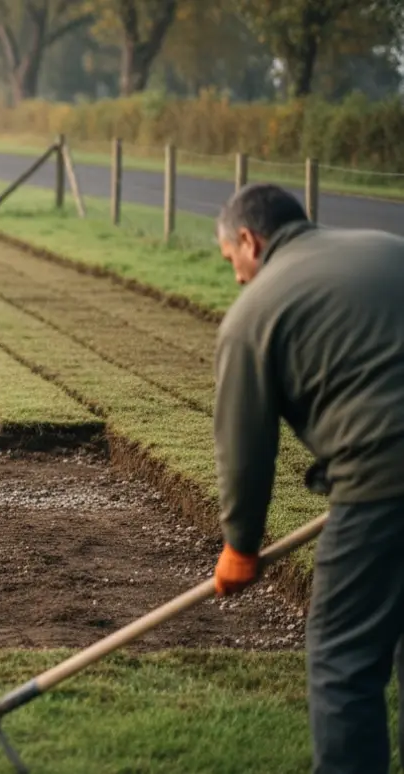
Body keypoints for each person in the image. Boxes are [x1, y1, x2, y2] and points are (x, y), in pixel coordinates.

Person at [210, 182, 404, 774]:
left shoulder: (252, 314)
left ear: (250, 241)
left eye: (231, 260)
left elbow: (245, 450)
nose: (236, 276)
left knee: (343, 657)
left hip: (381, 482)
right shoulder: (388, 247)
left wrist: (240, 545)